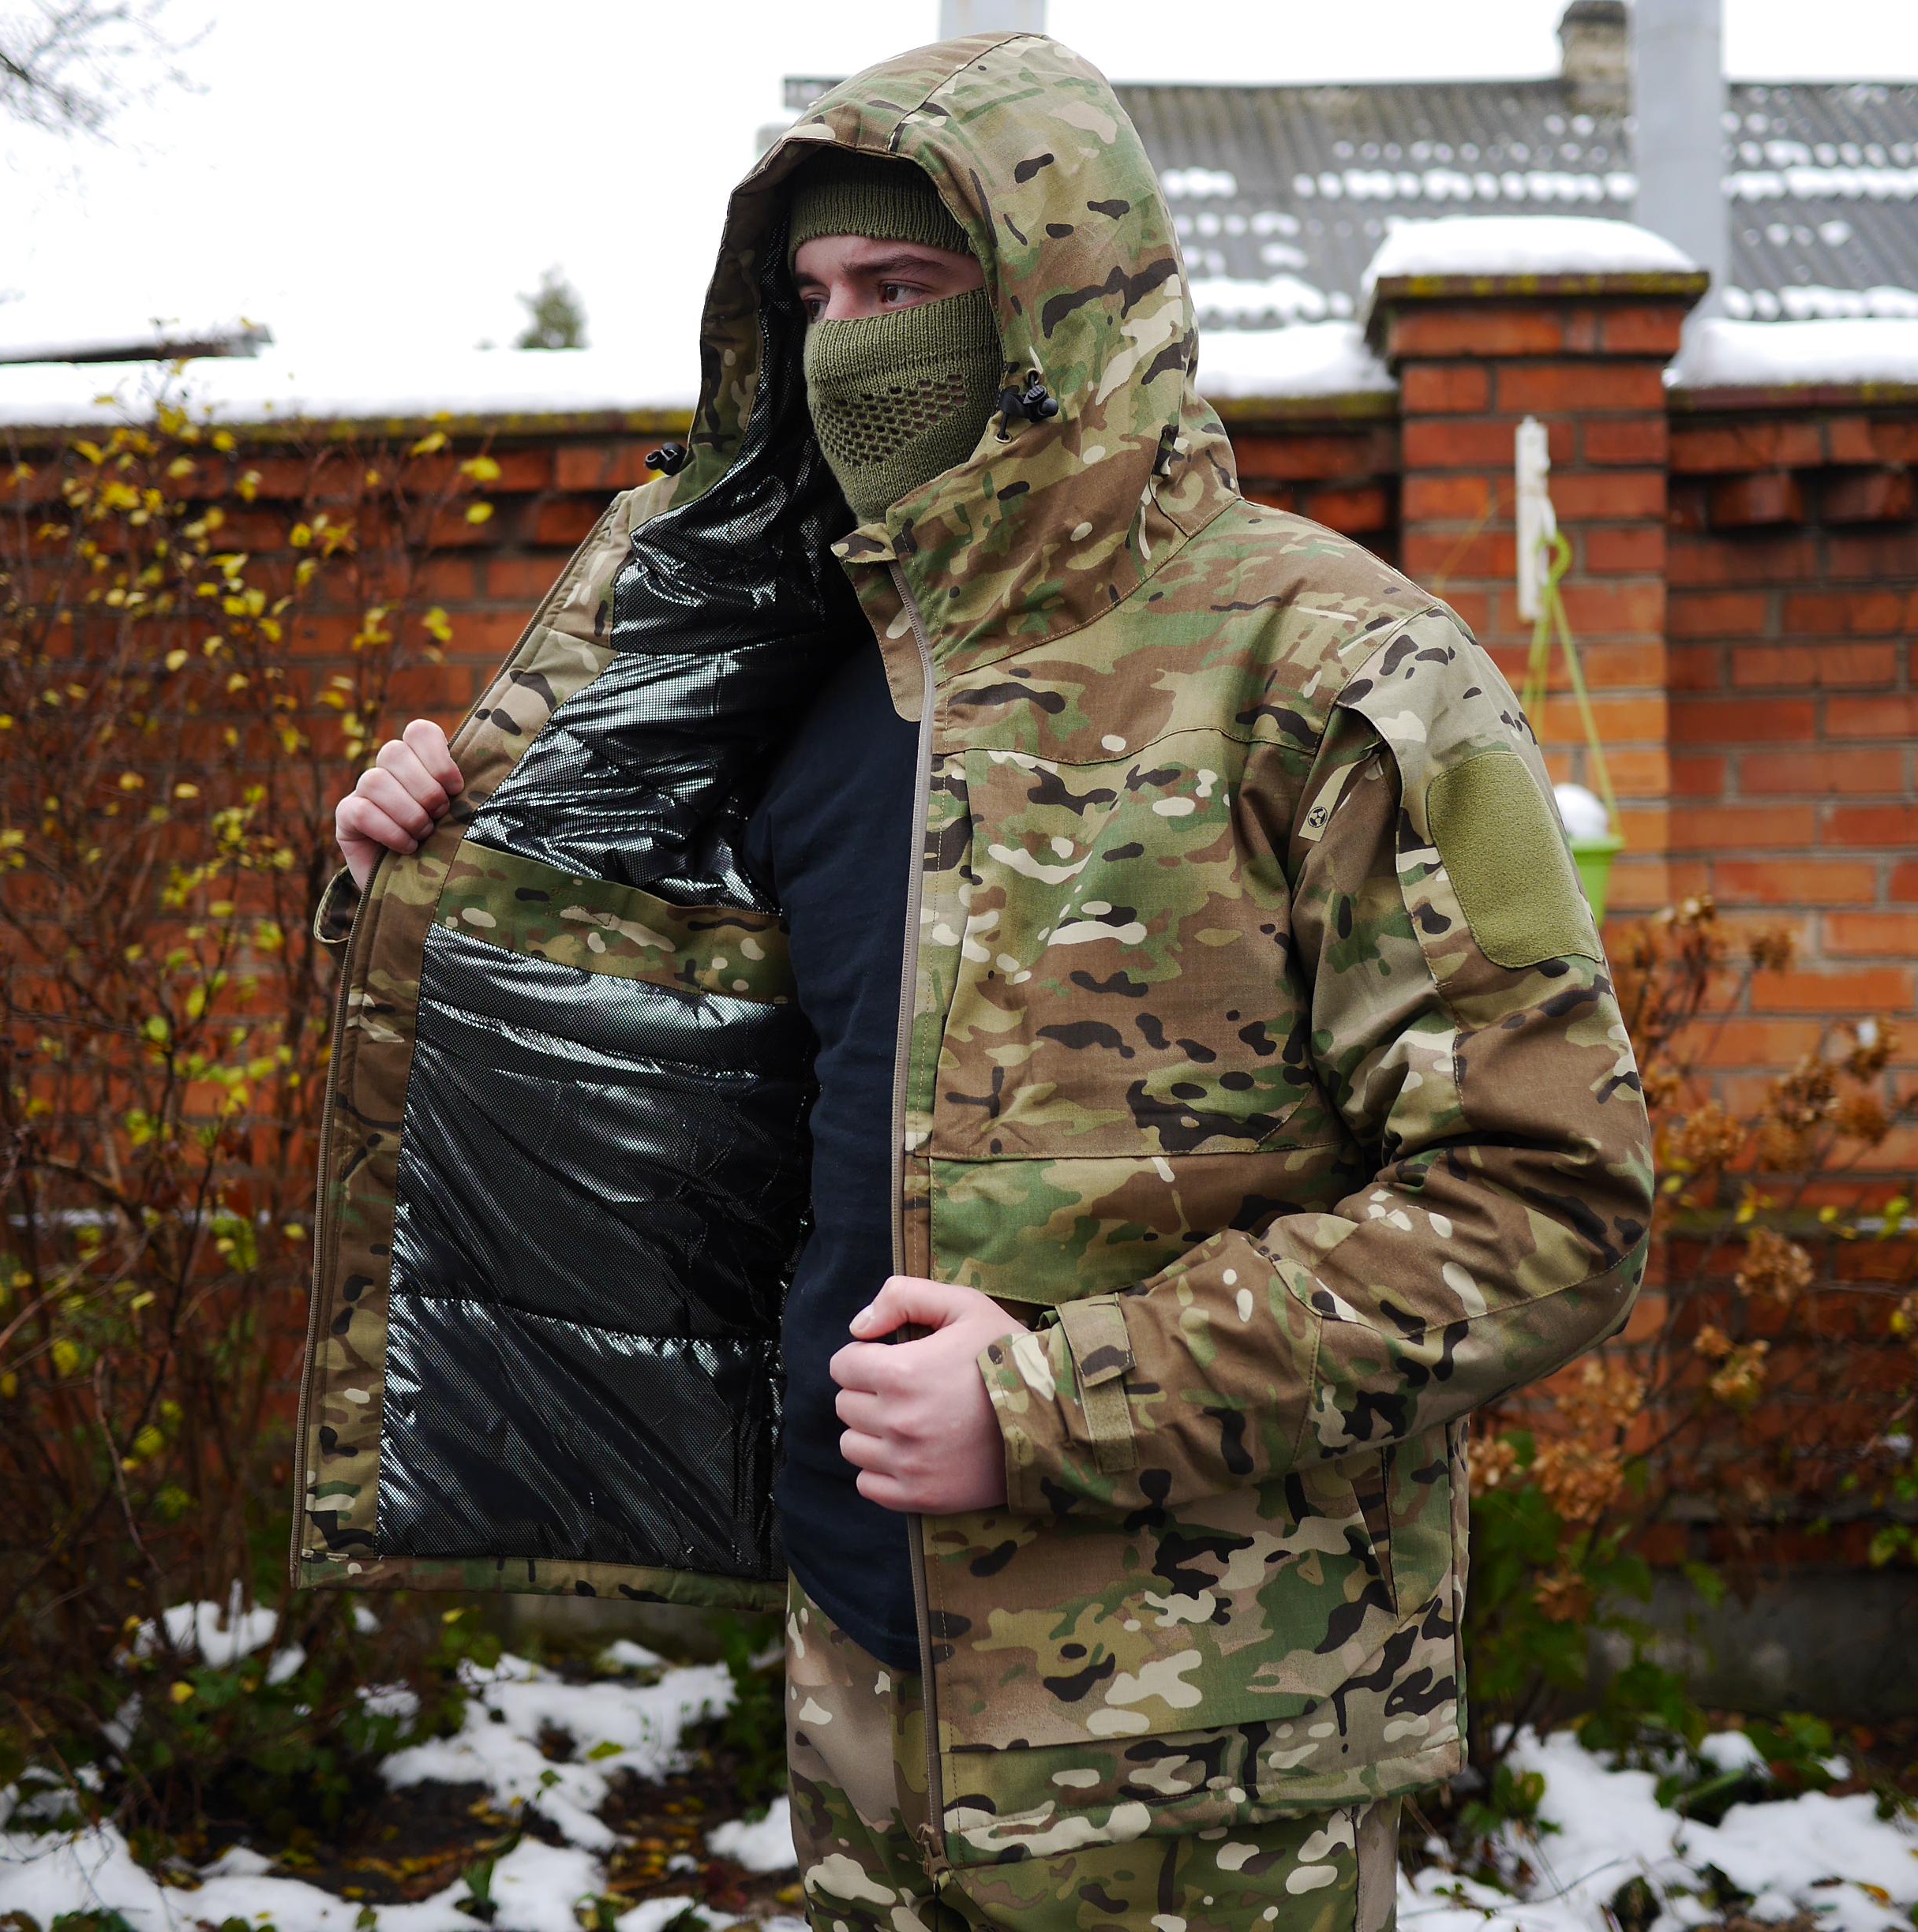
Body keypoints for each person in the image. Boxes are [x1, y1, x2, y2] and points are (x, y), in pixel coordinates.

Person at [302, 29, 1654, 1932]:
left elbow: (1552, 1200)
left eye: (908, 287)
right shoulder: (791, 661)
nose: (851, 343)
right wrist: (417, 870)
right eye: (816, 296)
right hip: (858, 1681)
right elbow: (655, 1074)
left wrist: (1058, 1401)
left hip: (1202, 1755)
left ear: (1057, 302)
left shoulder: (1332, 668)